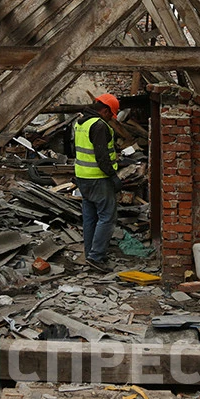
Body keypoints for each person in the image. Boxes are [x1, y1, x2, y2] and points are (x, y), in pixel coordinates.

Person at [74, 93, 122, 272]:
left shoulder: (81, 123)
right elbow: (102, 156)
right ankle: (96, 257)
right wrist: (113, 176)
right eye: (111, 115)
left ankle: (90, 254)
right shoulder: (99, 125)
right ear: (105, 110)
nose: (111, 119)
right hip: (98, 178)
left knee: (90, 218)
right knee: (107, 217)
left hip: (82, 176)